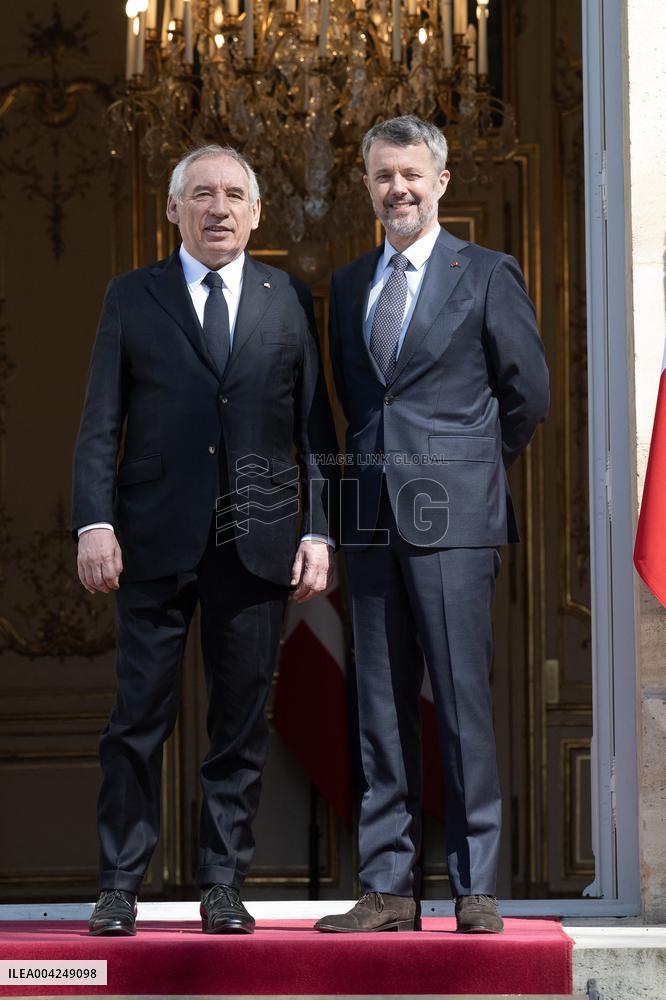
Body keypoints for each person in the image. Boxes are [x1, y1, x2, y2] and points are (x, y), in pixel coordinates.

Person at [72, 144, 339, 936]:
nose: (217, 207)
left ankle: (222, 882)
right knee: (136, 721)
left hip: (256, 546)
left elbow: (315, 431)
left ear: (256, 212)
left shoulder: (288, 298)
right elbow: (99, 425)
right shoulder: (132, 297)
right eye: (201, 195)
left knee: (238, 724)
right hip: (151, 543)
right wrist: (95, 522)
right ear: (174, 209)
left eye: (232, 195)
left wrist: (321, 530)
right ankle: (119, 883)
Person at [315, 116, 549, 935]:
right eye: (383, 176)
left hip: (453, 515)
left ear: (441, 181)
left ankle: (475, 884)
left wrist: (467, 470)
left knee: (458, 702)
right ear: (368, 185)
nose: (398, 190)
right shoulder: (348, 287)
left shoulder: (485, 273)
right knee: (377, 705)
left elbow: (528, 396)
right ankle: (388, 887)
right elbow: (353, 403)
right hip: (371, 516)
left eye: (411, 175)